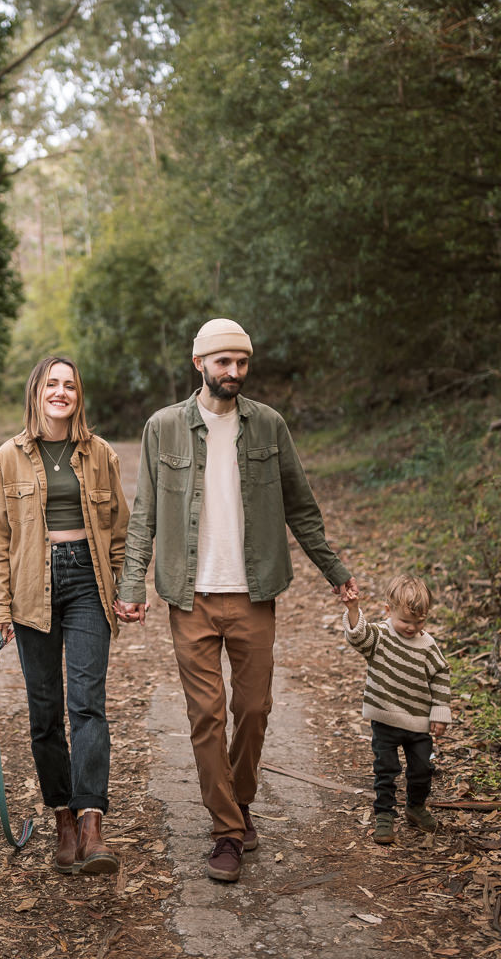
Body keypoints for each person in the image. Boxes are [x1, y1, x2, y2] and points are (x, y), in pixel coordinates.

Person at [115, 317, 356, 884]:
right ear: (198, 363)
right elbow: (144, 512)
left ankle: (240, 801)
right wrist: (131, 585)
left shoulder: (269, 426)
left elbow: (301, 506)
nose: (234, 373)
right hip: (189, 595)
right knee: (206, 715)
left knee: (253, 710)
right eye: (223, 362)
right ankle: (226, 830)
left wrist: (335, 572)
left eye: (242, 363)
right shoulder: (163, 427)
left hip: (253, 593)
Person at [0, 356, 129, 876]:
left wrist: (126, 586)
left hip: (88, 579)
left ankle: (92, 823)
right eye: (52, 384)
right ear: (36, 392)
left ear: (77, 395)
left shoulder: (100, 454)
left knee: (87, 704)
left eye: (69, 385)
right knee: (45, 713)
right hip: (30, 591)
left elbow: (119, 529)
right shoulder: (7, 458)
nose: (61, 392)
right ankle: (62, 816)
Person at [343, 574, 451, 845]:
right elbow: (359, 638)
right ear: (388, 610)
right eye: (405, 621)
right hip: (385, 720)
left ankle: (415, 806)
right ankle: (384, 814)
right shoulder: (380, 636)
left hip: (417, 724)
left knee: (421, 769)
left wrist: (439, 711)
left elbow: (440, 675)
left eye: (419, 622)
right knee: (386, 768)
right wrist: (354, 610)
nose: (412, 628)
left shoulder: (428, 646)